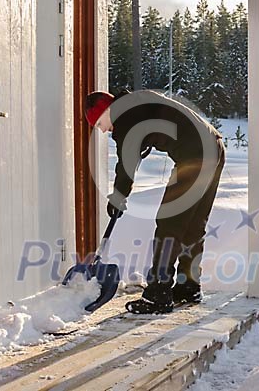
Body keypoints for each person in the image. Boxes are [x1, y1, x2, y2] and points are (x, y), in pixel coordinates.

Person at [85, 89, 225, 314]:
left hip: (195, 153)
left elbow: (127, 163)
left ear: (107, 111)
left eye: (99, 123)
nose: (102, 130)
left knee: (170, 223)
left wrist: (118, 196)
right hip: (214, 146)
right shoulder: (136, 104)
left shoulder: (126, 117)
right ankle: (188, 286)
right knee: (192, 225)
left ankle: (158, 293)